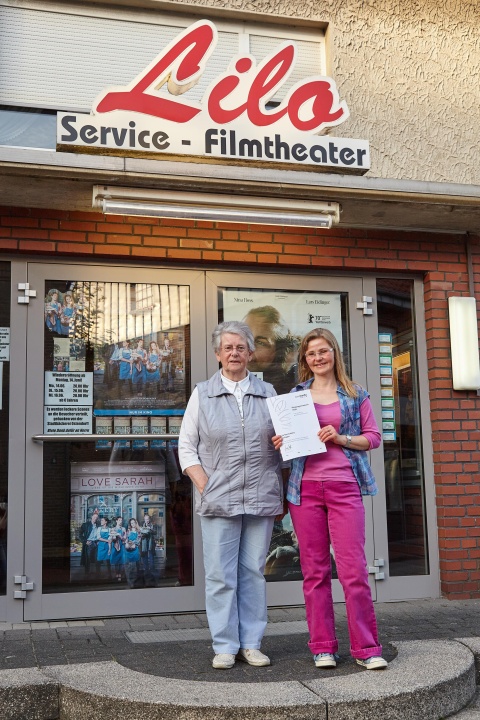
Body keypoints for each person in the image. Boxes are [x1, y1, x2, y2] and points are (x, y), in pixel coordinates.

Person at [273, 327, 387, 671]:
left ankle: (367, 648)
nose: (318, 358)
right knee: (315, 572)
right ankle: (322, 647)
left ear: (334, 353)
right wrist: (281, 442)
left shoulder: (356, 394)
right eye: (311, 354)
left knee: (353, 571)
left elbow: (374, 438)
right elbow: (287, 442)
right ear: (305, 360)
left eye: (323, 351)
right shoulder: (294, 396)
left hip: (344, 487)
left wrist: (341, 438)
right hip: (305, 490)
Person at [178, 320, 283, 670]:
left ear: (251, 354)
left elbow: (285, 446)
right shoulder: (202, 394)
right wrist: (207, 486)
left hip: (260, 495)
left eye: (241, 347)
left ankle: (251, 643)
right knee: (221, 575)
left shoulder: (269, 394)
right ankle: (225, 645)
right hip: (218, 499)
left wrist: (285, 445)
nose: (234, 353)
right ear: (217, 354)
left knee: (253, 571)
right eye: (228, 348)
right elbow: (186, 447)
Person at [243, 306, 299, 394]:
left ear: (279, 351)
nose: (248, 350)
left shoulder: (292, 391)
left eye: (260, 343)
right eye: (245, 338)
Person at [79, 511, 100, 577]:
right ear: (92, 517)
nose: (95, 519)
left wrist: (99, 541)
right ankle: (87, 573)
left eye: (96, 518)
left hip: (96, 543)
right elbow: (79, 535)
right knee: (87, 559)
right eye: (94, 517)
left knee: (97, 559)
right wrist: (85, 541)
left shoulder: (98, 525)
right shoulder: (86, 525)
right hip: (89, 543)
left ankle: (98, 574)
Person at [124, 518, 142, 588]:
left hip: (135, 550)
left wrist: (133, 543)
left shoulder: (139, 531)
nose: (133, 524)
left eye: (134, 523)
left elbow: (139, 540)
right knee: (129, 568)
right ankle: (130, 583)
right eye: (131, 523)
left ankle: (135, 583)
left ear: (135, 523)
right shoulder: (128, 531)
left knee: (135, 567)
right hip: (128, 551)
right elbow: (126, 539)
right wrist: (127, 543)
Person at [140, 512, 157, 587]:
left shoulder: (152, 525)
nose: (147, 520)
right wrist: (142, 535)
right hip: (144, 545)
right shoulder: (142, 526)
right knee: (145, 561)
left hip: (150, 545)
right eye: (146, 519)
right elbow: (140, 534)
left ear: (149, 519)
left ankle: (152, 576)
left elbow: (155, 532)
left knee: (152, 561)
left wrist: (150, 530)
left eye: (148, 519)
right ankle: (146, 576)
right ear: (144, 519)